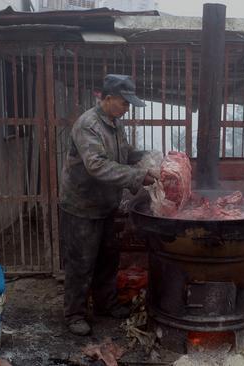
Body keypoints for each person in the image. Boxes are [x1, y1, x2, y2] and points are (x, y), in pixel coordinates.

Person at [59, 74, 159, 336]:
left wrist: (150, 158)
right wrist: (139, 176)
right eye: (124, 103)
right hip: (82, 205)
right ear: (108, 98)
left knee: (107, 258)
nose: (127, 108)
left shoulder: (115, 123)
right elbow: (97, 165)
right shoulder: (88, 125)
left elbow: (124, 154)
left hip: (105, 204)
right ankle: (74, 314)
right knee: (81, 262)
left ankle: (105, 304)